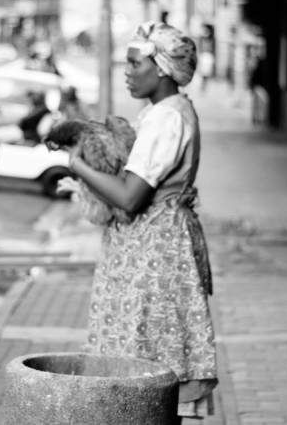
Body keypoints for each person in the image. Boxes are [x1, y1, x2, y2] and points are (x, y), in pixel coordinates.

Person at [60, 21, 218, 422]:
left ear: (161, 67)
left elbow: (131, 197)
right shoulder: (163, 111)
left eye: (135, 63)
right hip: (152, 249)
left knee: (147, 367)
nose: (127, 71)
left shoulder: (167, 117)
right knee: (150, 362)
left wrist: (77, 165)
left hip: (153, 254)